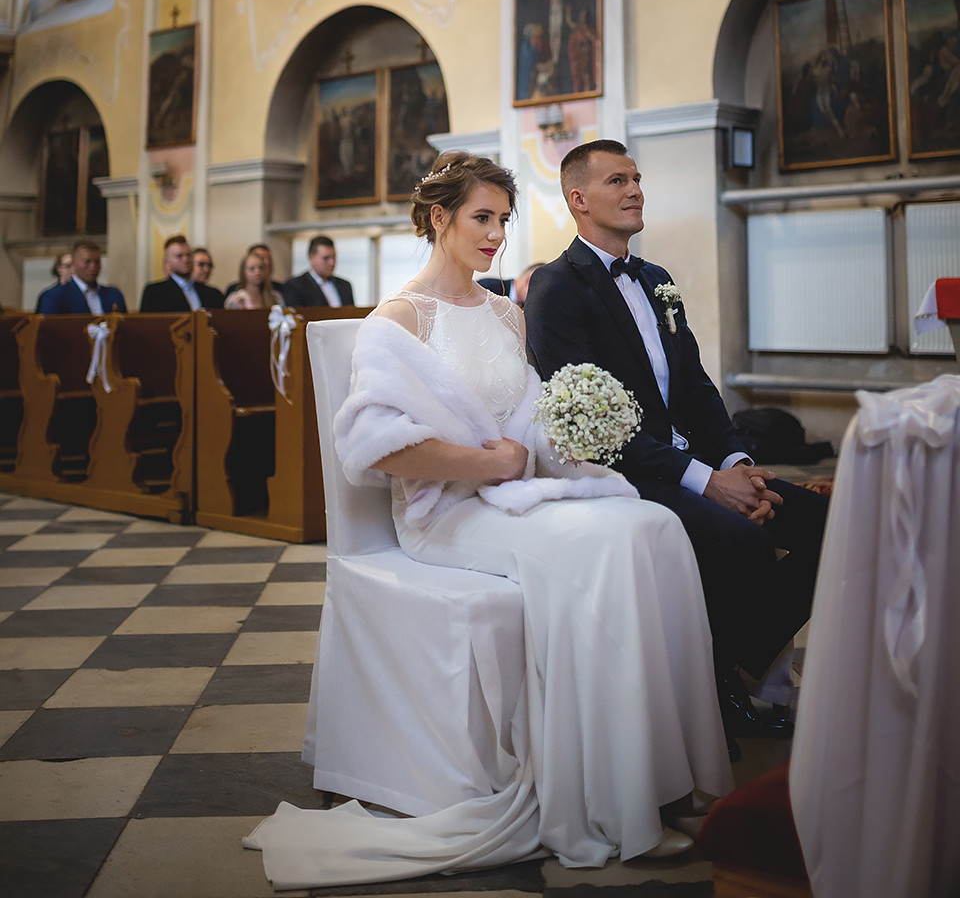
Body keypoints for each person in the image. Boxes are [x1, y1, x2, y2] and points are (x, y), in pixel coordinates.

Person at [245, 151, 731, 887]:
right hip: (445, 512)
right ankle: (605, 805)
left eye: (504, 219)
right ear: (439, 218)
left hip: (517, 495)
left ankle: (660, 784)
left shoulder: (508, 312)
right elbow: (376, 450)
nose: (497, 234)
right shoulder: (397, 321)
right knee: (600, 549)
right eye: (482, 218)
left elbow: (527, 424)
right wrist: (487, 465)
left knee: (653, 527)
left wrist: (570, 433)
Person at [524, 140, 829, 754]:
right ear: (578, 199)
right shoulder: (557, 287)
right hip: (626, 472)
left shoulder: (656, 279)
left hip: (693, 461)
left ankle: (719, 667)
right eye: (617, 181)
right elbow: (595, 425)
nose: (635, 190)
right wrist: (707, 481)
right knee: (743, 543)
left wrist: (737, 464)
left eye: (636, 178)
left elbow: (695, 386)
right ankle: (714, 690)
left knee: (829, 523)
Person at [139, 235, 224, 312]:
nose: (186, 260)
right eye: (179, 256)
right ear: (167, 262)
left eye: (188, 255)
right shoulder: (155, 292)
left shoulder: (213, 294)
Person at [38, 240, 126, 315]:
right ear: (73, 264)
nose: (93, 267)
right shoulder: (54, 296)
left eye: (97, 262)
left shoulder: (113, 295)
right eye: (87, 262)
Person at [282, 235, 354, 308]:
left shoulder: (345, 286)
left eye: (334, 257)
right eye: (326, 258)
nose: (332, 263)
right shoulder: (296, 286)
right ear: (311, 257)